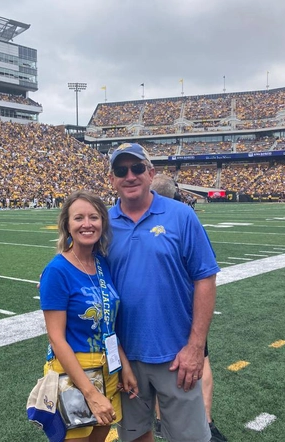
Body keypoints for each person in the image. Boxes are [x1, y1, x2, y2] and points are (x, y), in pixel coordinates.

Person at [107, 143, 221, 442]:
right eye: (121, 170)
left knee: (190, 438)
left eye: (137, 168)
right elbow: (80, 267)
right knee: (133, 436)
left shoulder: (181, 216)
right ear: (112, 179)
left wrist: (196, 348)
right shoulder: (103, 223)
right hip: (125, 359)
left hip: (176, 356)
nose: (130, 176)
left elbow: (205, 279)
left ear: (151, 172)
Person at [39, 190, 138, 442]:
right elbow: (56, 339)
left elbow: (109, 324)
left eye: (93, 217)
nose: (87, 224)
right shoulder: (57, 270)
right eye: (78, 218)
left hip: (108, 371)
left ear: (102, 223)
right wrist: (90, 393)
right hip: (75, 375)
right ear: (67, 225)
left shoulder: (102, 263)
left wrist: (123, 366)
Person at [150, 174, 227, 442]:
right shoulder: (184, 217)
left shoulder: (166, 217)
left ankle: (162, 420)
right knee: (200, 366)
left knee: (163, 370)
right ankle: (205, 421)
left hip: (155, 316)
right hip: (183, 314)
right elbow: (205, 274)